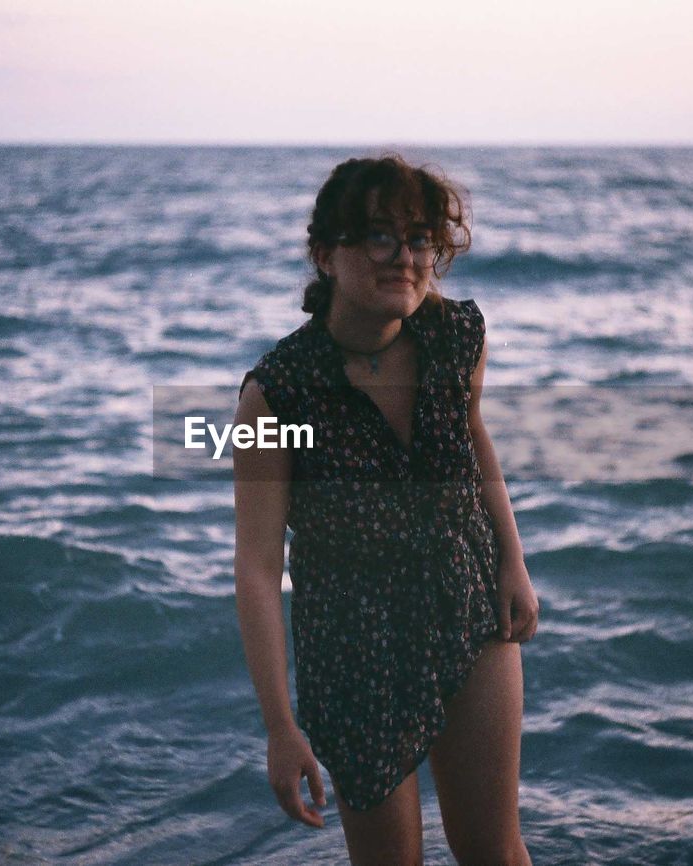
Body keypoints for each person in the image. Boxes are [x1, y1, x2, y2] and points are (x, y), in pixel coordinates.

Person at [232, 154, 538, 866]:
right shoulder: (275, 395)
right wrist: (280, 727)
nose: (404, 257)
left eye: (419, 239)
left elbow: (473, 437)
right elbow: (255, 568)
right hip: (352, 648)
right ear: (325, 255)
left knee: (496, 851)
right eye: (378, 238)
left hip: (467, 608)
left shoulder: (457, 337)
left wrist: (513, 561)